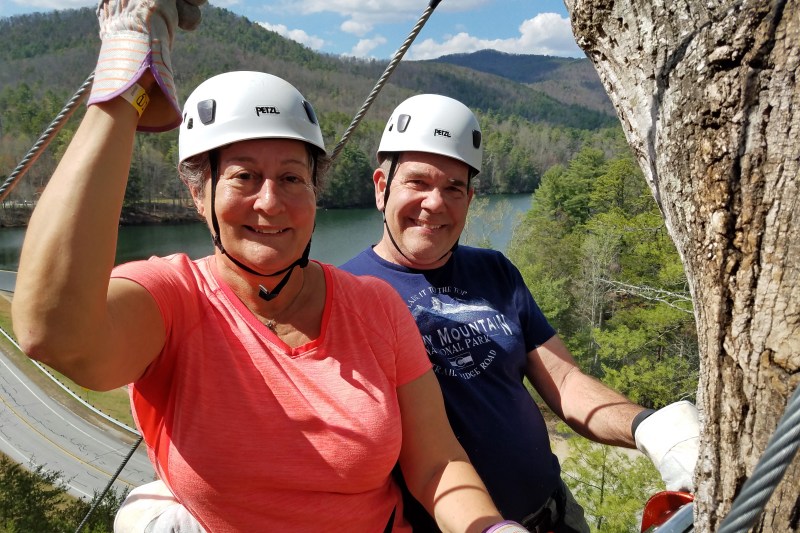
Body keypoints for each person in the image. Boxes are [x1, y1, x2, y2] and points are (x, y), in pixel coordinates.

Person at [10, 3, 535, 532]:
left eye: (291, 178)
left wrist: (489, 527)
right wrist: (124, 88)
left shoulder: (375, 307)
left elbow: (436, 462)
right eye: (243, 176)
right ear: (198, 194)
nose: (270, 202)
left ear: (314, 192)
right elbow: (54, 333)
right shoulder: (174, 301)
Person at [340, 94, 701, 532]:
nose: (435, 203)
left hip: (556, 514)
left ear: (470, 198)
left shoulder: (494, 270)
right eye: (417, 182)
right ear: (381, 187)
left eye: (454, 188)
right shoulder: (347, 296)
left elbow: (564, 382)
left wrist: (651, 427)